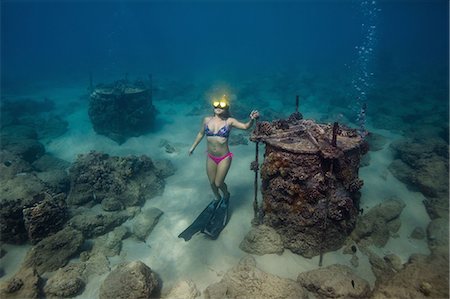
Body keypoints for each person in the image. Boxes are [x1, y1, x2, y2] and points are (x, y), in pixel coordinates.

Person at [189, 95, 259, 202]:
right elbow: (200, 134)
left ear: (226, 108)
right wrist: (192, 147)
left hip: (224, 158)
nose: (218, 107)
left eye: (221, 106)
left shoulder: (229, 121)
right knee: (212, 183)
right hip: (211, 157)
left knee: (218, 183)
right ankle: (217, 198)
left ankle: (226, 195)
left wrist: (252, 119)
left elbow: (245, 127)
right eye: (216, 105)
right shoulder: (206, 120)